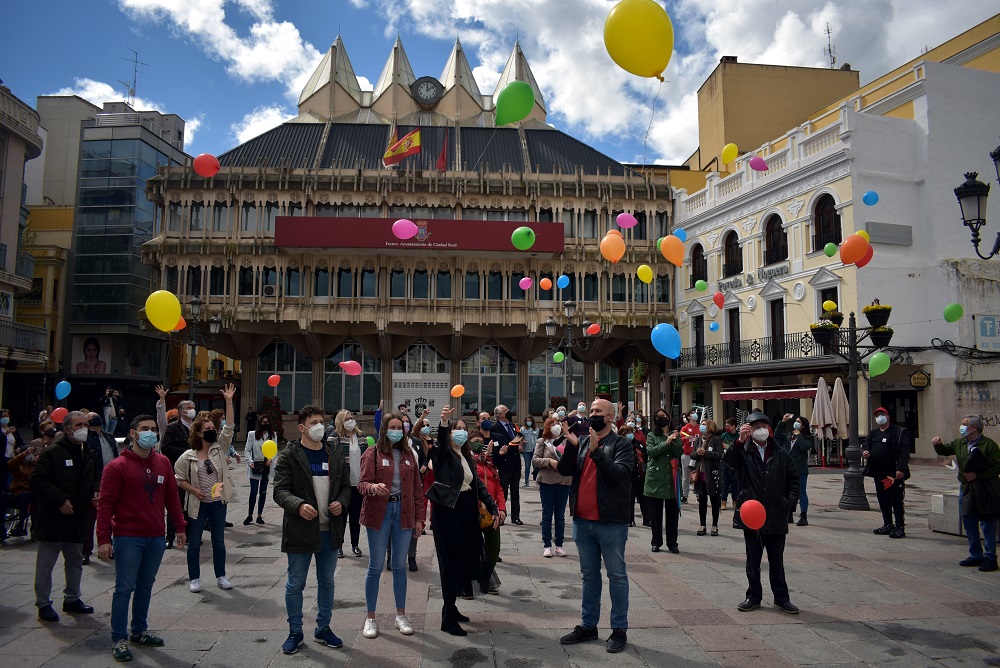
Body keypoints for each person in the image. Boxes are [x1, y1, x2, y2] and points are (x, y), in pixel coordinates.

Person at [96, 414, 187, 663]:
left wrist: (179, 526)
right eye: (144, 429)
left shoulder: (163, 462)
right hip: (128, 537)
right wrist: (103, 538)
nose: (150, 433)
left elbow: (172, 497)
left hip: (156, 536)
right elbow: (105, 504)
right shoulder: (117, 467)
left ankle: (139, 631)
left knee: (146, 587)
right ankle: (119, 638)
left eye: (153, 429)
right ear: (133, 434)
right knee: (125, 588)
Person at [272, 405, 351, 654]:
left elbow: (346, 487)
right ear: (302, 427)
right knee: (296, 583)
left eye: (322, 421)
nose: (320, 426)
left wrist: (342, 502)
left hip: (330, 530)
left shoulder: (333, 453)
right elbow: (279, 490)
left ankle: (323, 628)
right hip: (301, 529)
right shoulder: (290, 455)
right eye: (314, 422)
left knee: (327, 582)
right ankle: (295, 631)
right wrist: (299, 505)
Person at [557, 399, 633, 654]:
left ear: (611, 417)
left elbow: (618, 476)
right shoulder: (582, 443)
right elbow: (566, 471)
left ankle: (619, 629)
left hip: (610, 522)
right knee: (589, 576)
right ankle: (589, 626)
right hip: (582, 521)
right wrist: (571, 445)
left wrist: (597, 451)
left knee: (617, 576)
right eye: (590, 411)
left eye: (598, 411)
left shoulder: (621, 444)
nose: (592, 415)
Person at [430, 405, 499, 636]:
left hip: (467, 510)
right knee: (450, 561)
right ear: (449, 433)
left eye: (462, 429)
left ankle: (451, 608)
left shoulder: (466, 455)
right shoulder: (443, 454)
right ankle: (448, 617)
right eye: (455, 429)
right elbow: (439, 444)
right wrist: (443, 422)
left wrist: (492, 505)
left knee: (463, 559)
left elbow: (478, 485)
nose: (459, 432)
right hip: (449, 512)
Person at [723, 411, 800, 614]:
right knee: (753, 560)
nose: (761, 430)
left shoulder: (780, 452)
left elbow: (793, 479)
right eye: (755, 427)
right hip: (752, 515)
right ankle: (753, 596)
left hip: (776, 513)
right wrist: (739, 441)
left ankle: (781, 598)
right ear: (749, 431)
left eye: (763, 426)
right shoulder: (743, 451)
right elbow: (728, 462)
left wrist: (788, 503)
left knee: (777, 561)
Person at [357, 412, 425, 638]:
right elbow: (362, 484)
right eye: (393, 426)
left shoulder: (408, 455)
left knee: (399, 566)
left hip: (404, 513)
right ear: (384, 430)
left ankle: (401, 614)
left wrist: (419, 519)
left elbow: (417, 489)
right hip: (380, 512)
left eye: (400, 426)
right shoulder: (372, 453)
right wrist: (374, 488)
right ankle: (370, 618)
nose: (398, 430)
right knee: (375, 567)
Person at [29, 411, 97, 622]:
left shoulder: (87, 451)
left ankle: (72, 598)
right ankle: (43, 603)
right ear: (67, 429)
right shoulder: (53, 453)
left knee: (75, 560)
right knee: (46, 564)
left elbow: (92, 476)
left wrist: (95, 490)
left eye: (86, 424)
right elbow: (37, 480)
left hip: (77, 518)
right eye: (78, 425)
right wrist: (59, 499)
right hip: (53, 518)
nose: (83, 428)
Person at [174, 385, 237, 593]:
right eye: (207, 430)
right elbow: (179, 478)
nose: (212, 431)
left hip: (217, 502)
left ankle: (221, 576)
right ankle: (195, 579)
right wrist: (193, 490)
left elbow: (229, 427)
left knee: (219, 542)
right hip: (197, 503)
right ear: (199, 434)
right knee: (194, 542)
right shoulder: (188, 456)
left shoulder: (219, 448)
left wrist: (228, 401)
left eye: (213, 429)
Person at [933, 415, 1000, 571]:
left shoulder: (989, 445)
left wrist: (978, 475)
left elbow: (998, 467)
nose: (961, 427)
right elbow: (945, 450)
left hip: (985, 489)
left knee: (987, 523)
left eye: (964, 425)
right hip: (967, 489)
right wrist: (937, 444)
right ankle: (976, 554)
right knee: (968, 521)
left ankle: (990, 557)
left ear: (974, 427)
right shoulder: (960, 443)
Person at [863, 407, 911, 538]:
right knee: (882, 499)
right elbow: (866, 445)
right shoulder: (874, 433)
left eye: (882, 415)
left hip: (893, 473)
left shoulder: (898, 432)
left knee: (896, 500)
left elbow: (904, 451)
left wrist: (901, 468)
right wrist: (865, 452)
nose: (879, 417)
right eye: (877, 415)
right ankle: (887, 524)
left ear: (888, 416)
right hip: (878, 472)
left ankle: (899, 526)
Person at [644, 409, 682, 553]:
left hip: (671, 479)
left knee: (672, 514)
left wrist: (672, 441)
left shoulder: (675, 435)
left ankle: (672, 543)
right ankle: (656, 541)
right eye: (659, 417)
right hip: (655, 479)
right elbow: (651, 451)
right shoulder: (652, 435)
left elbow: (679, 452)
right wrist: (665, 443)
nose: (662, 419)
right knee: (655, 514)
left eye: (664, 416)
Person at [83, 412, 119, 564]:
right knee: (90, 520)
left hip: (112, 480)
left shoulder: (109, 436)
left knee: (111, 519)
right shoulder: (86, 438)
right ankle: (86, 551)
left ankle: (108, 548)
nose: (96, 418)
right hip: (95, 481)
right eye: (91, 417)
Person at [160, 399, 197, 549]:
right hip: (179, 471)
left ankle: (188, 534)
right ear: (181, 411)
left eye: (193, 407)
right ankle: (170, 536)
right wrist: (187, 453)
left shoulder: (196, 428)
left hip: (194, 472)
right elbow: (166, 448)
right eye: (189, 407)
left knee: (190, 505)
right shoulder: (173, 428)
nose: (192, 410)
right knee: (176, 503)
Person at [4, 423, 50, 540]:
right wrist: (24, 454)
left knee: (26, 496)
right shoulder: (18, 466)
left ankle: (21, 525)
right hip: (16, 492)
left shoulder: (35, 466)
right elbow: (11, 464)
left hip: (30, 494)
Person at [472, 434, 505, 594]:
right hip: (474, 511)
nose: (479, 444)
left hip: (492, 511)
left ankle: (485, 577)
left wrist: (502, 508)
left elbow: (498, 487)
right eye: (475, 442)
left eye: (480, 441)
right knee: (473, 549)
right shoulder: (468, 462)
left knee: (494, 549)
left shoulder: (489, 463)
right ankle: (473, 583)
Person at [533, 416, 570, 557]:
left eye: (558, 424)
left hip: (564, 481)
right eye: (553, 424)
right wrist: (548, 461)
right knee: (547, 515)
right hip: (547, 481)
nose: (556, 426)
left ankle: (559, 545)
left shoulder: (566, 440)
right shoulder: (543, 442)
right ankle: (547, 545)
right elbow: (535, 460)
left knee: (560, 516)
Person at [776, 414, 814, 527]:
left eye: (799, 422)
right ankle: (789, 514)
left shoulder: (807, 437)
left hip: (801, 469)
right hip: (787, 468)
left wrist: (799, 436)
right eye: (796, 421)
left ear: (803, 426)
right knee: (787, 492)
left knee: (801, 492)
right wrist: (782, 421)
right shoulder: (789, 435)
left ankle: (803, 516)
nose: (796, 423)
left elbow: (804, 447)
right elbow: (777, 435)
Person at [489, 404, 524, 525]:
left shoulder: (513, 426)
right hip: (504, 463)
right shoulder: (495, 427)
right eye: (506, 411)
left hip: (516, 463)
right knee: (502, 490)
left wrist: (520, 444)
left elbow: (519, 438)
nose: (509, 412)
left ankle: (516, 516)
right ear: (500, 415)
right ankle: (501, 514)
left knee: (515, 491)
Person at [690, 418, 724, 537]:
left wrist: (706, 453)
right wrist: (697, 453)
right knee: (702, 501)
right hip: (700, 473)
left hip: (712, 474)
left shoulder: (716, 439)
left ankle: (715, 525)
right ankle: (702, 524)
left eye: (704, 425)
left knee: (715, 500)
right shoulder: (698, 439)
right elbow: (692, 454)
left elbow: (719, 455)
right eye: (701, 425)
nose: (701, 427)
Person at [244, 413, 276, 525]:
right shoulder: (252, 434)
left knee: (263, 492)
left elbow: (274, 450)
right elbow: (247, 450)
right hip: (255, 466)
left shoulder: (273, 435)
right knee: (253, 492)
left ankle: (259, 515)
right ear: (259, 423)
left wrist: (271, 459)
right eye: (263, 422)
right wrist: (250, 461)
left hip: (266, 467)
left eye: (267, 422)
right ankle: (249, 515)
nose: (265, 424)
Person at [679, 410, 700, 503]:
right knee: (685, 476)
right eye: (692, 414)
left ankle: (698, 495)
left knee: (697, 476)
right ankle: (685, 495)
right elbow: (680, 439)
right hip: (687, 454)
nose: (694, 415)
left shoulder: (700, 428)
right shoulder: (685, 428)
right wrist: (685, 438)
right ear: (688, 417)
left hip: (697, 455)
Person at [719, 417, 740, 510]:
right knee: (725, 481)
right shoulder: (723, 435)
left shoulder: (738, 436)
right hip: (725, 461)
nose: (726, 427)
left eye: (728, 426)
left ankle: (735, 501)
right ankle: (723, 501)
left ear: (733, 426)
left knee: (735, 482)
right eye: (725, 425)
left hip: (735, 462)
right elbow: (720, 446)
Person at [520, 416, 539, 486]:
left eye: (530, 421)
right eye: (527, 420)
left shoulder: (536, 429)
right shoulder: (523, 429)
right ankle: (526, 481)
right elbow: (520, 438)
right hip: (527, 450)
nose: (529, 422)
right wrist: (522, 443)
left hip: (535, 449)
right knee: (527, 465)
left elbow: (538, 438)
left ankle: (537, 479)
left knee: (536, 465)